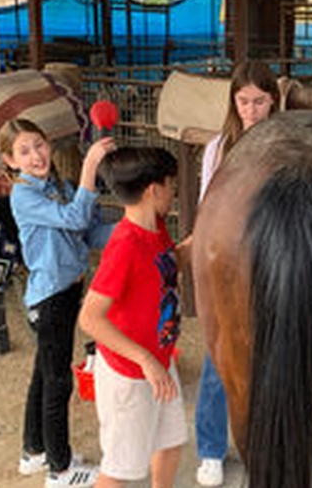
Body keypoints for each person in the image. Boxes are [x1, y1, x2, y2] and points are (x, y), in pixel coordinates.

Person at [0, 119, 116, 488]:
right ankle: (61, 470)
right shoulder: (24, 195)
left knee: (43, 376)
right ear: (10, 160)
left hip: (67, 292)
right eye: (24, 150)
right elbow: (74, 216)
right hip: (49, 300)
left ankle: (34, 451)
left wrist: (132, 223)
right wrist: (89, 168)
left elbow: (90, 230)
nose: (35, 155)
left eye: (39, 144)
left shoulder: (60, 187)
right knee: (57, 382)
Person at [193, 60, 280, 487]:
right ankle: (210, 448)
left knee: (267, 358)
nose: (250, 110)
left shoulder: (285, 145)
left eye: (259, 101)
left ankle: (258, 440)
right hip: (229, 264)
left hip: (273, 264)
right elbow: (208, 210)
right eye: (243, 101)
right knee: (218, 358)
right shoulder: (219, 148)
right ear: (233, 101)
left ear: (273, 100)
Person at [77, 146, 186, 488]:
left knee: (170, 443)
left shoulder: (156, 230)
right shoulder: (125, 244)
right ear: (154, 190)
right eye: (172, 186)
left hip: (159, 360)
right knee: (121, 470)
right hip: (131, 374)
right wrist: (145, 360)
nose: (174, 193)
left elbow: (169, 264)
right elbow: (90, 318)